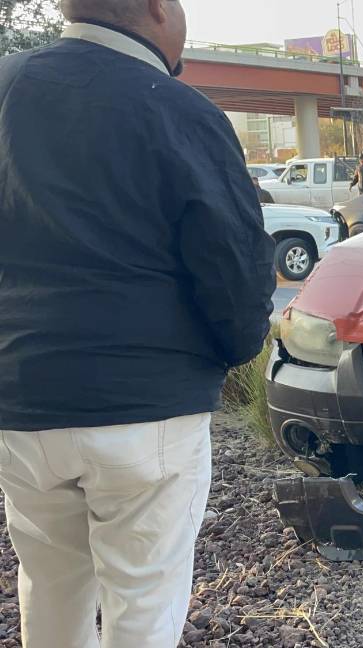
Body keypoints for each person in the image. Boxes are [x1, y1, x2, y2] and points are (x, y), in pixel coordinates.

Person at [0, 1, 275, 646]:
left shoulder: (6, 88)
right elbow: (233, 266)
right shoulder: (179, 110)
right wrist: (235, 348)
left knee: (50, 588)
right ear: (156, 7)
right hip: (146, 410)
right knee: (144, 606)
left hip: (21, 400)